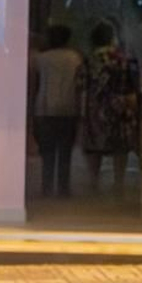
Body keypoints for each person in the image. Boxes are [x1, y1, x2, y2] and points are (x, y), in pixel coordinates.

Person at [81, 18, 142, 194]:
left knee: (94, 148)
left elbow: (81, 85)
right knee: (120, 148)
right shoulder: (124, 59)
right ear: (113, 37)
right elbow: (134, 84)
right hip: (120, 107)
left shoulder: (88, 60)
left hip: (95, 110)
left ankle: (93, 184)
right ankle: (119, 183)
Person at [29, 24, 84, 198]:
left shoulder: (41, 59)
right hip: (68, 108)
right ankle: (63, 188)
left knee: (47, 153)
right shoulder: (75, 58)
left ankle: (46, 188)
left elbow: (34, 83)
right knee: (65, 152)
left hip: (44, 108)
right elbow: (79, 85)